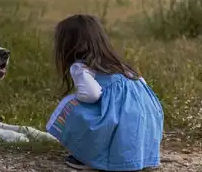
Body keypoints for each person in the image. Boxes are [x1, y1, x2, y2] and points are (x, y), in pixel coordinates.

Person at [46, 14, 164, 171]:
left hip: (120, 121)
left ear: (68, 45)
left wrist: (78, 98)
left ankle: (88, 156)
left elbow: (92, 94)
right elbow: (142, 87)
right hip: (146, 118)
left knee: (70, 105)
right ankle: (137, 156)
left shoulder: (81, 67)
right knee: (121, 115)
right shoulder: (120, 65)